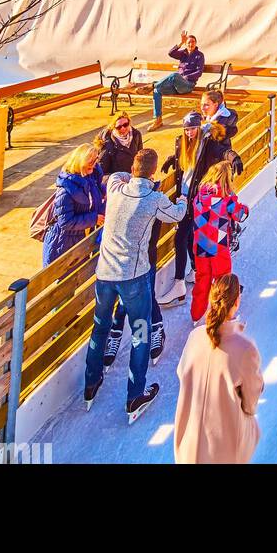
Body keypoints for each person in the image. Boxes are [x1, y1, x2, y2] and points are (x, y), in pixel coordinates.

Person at [84, 147, 184, 421]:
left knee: (100, 328)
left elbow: (113, 175)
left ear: (132, 170)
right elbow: (176, 215)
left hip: (105, 275)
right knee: (140, 334)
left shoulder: (116, 188)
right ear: (152, 173)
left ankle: (90, 384)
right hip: (133, 278)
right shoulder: (153, 198)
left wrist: (128, 175)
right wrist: (184, 198)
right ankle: (134, 396)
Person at [173, 273, 264, 465]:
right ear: (237, 301)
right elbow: (251, 403)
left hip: (189, 445)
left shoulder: (194, 337)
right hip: (224, 450)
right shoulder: (245, 348)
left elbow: (182, 374)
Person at [157, 110, 234, 305]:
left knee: (180, 238)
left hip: (195, 199)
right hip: (183, 195)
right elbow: (184, 163)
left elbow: (223, 151)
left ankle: (179, 283)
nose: (189, 133)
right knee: (189, 236)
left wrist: (234, 158)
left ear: (198, 128)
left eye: (192, 129)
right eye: (186, 129)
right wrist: (172, 159)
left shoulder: (208, 143)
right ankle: (195, 271)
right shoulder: (181, 142)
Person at [190, 160, 247, 323]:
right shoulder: (227, 199)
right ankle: (224, 315)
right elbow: (239, 215)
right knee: (223, 281)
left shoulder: (200, 195)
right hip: (218, 244)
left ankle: (197, 315)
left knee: (202, 279)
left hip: (200, 244)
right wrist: (244, 208)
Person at [41, 143, 105, 266]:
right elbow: (65, 222)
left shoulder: (90, 178)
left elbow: (93, 196)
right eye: (90, 161)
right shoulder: (65, 191)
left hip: (81, 238)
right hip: (63, 243)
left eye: (96, 159)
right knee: (64, 280)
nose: (94, 163)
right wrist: (94, 219)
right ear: (80, 162)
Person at [148, 30, 205, 130]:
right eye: (188, 42)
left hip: (187, 85)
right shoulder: (183, 53)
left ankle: (151, 85)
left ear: (195, 43)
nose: (191, 44)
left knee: (174, 75)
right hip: (176, 86)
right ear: (186, 44)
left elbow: (199, 72)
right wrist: (181, 43)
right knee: (157, 91)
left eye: (193, 42)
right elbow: (170, 53)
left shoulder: (199, 55)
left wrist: (184, 78)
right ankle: (158, 120)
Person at [95, 112, 143, 180]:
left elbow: (140, 157)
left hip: (133, 178)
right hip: (117, 181)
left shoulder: (136, 135)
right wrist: (116, 180)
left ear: (129, 123)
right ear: (114, 127)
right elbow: (101, 170)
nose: (123, 128)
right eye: (119, 127)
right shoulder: (107, 143)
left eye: (125, 125)